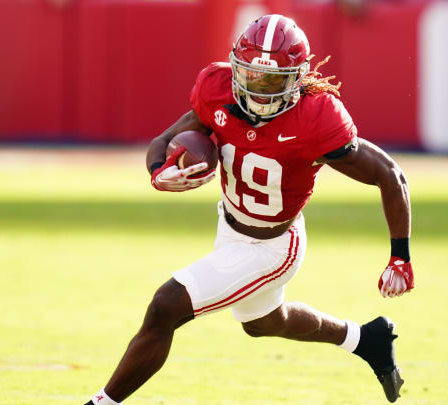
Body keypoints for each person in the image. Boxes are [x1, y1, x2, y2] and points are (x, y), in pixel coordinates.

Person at [84, 14, 414, 405]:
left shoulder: (315, 118)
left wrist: (400, 256)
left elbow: (389, 174)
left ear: (298, 78)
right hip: (230, 227)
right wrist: (158, 172)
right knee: (262, 322)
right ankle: (366, 339)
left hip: (273, 245)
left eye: (273, 80)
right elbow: (164, 140)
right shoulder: (217, 90)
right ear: (236, 68)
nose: (260, 90)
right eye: (253, 76)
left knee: (165, 307)